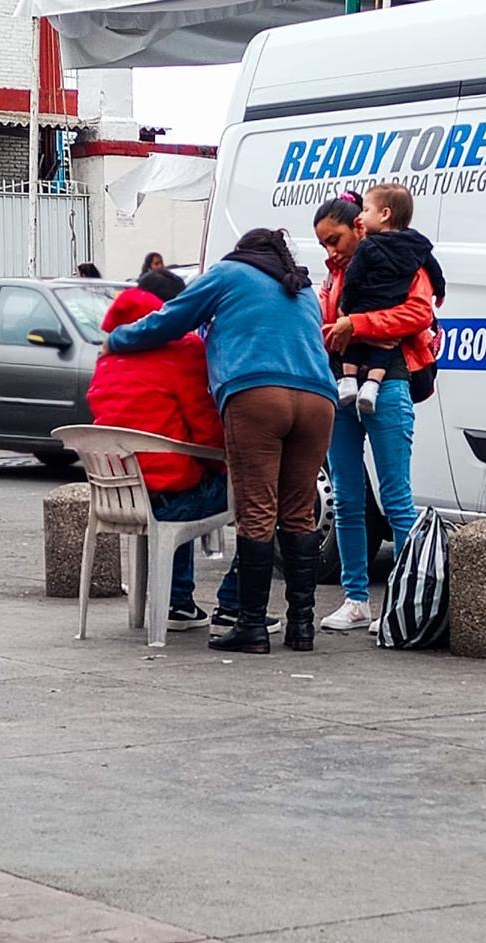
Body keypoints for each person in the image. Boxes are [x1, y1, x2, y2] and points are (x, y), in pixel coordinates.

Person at [107, 229, 336, 655]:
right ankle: (301, 628)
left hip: (257, 395)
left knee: (257, 512)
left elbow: (171, 319)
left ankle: (249, 624)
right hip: (319, 399)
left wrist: (118, 339)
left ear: (243, 250)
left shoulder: (229, 273)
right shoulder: (303, 288)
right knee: (299, 514)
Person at [87, 268, 279, 637]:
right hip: (167, 500)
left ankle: (178, 602)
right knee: (261, 499)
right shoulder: (183, 350)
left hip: (116, 497)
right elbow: (207, 432)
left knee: (179, 478)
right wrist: (228, 466)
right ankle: (234, 605)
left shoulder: (108, 355)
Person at [314, 188, 438, 633]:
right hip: (341, 386)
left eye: (335, 240)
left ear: (358, 227)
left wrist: (355, 324)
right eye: (324, 243)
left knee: (396, 499)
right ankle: (356, 599)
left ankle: (408, 599)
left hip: (390, 383)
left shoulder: (398, 257)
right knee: (347, 499)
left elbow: (419, 313)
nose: (331, 249)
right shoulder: (333, 275)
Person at [334, 184, 445, 414]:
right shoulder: (418, 244)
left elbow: (353, 280)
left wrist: (349, 314)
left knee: (357, 343)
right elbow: (434, 268)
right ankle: (371, 387)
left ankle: (348, 380)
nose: (361, 217)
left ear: (384, 215)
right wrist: (440, 291)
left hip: (367, 311)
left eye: (365, 211)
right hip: (390, 307)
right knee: (383, 348)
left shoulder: (368, 246)